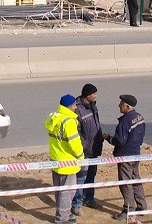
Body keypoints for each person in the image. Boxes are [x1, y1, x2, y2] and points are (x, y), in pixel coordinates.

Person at [104, 94, 146, 220]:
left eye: (121, 104)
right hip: (135, 154)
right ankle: (142, 206)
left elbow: (120, 140)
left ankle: (128, 209)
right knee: (135, 180)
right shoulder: (140, 117)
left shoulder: (125, 121)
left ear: (127, 106)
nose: (119, 106)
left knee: (126, 183)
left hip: (125, 156)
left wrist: (108, 138)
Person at [45, 94, 85, 224]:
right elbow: (74, 143)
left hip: (57, 160)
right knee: (67, 192)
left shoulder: (55, 117)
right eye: (74, 105)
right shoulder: (68, 122)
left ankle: (63, 215)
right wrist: (81, 157)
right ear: (69, 106)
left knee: (60, 191)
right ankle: (62, 219)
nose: (76, 107)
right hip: (68, 163)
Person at [71, 83, 103, 216]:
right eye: (94, 94)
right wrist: (84, 146)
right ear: (88, 95)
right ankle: (76, 203)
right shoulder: (78, 109)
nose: (96, 96)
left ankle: (89, 198)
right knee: (81, 177)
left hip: (94, 149)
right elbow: (76, 131)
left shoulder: (93, 106)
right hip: (84, 151)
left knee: (91, 175)